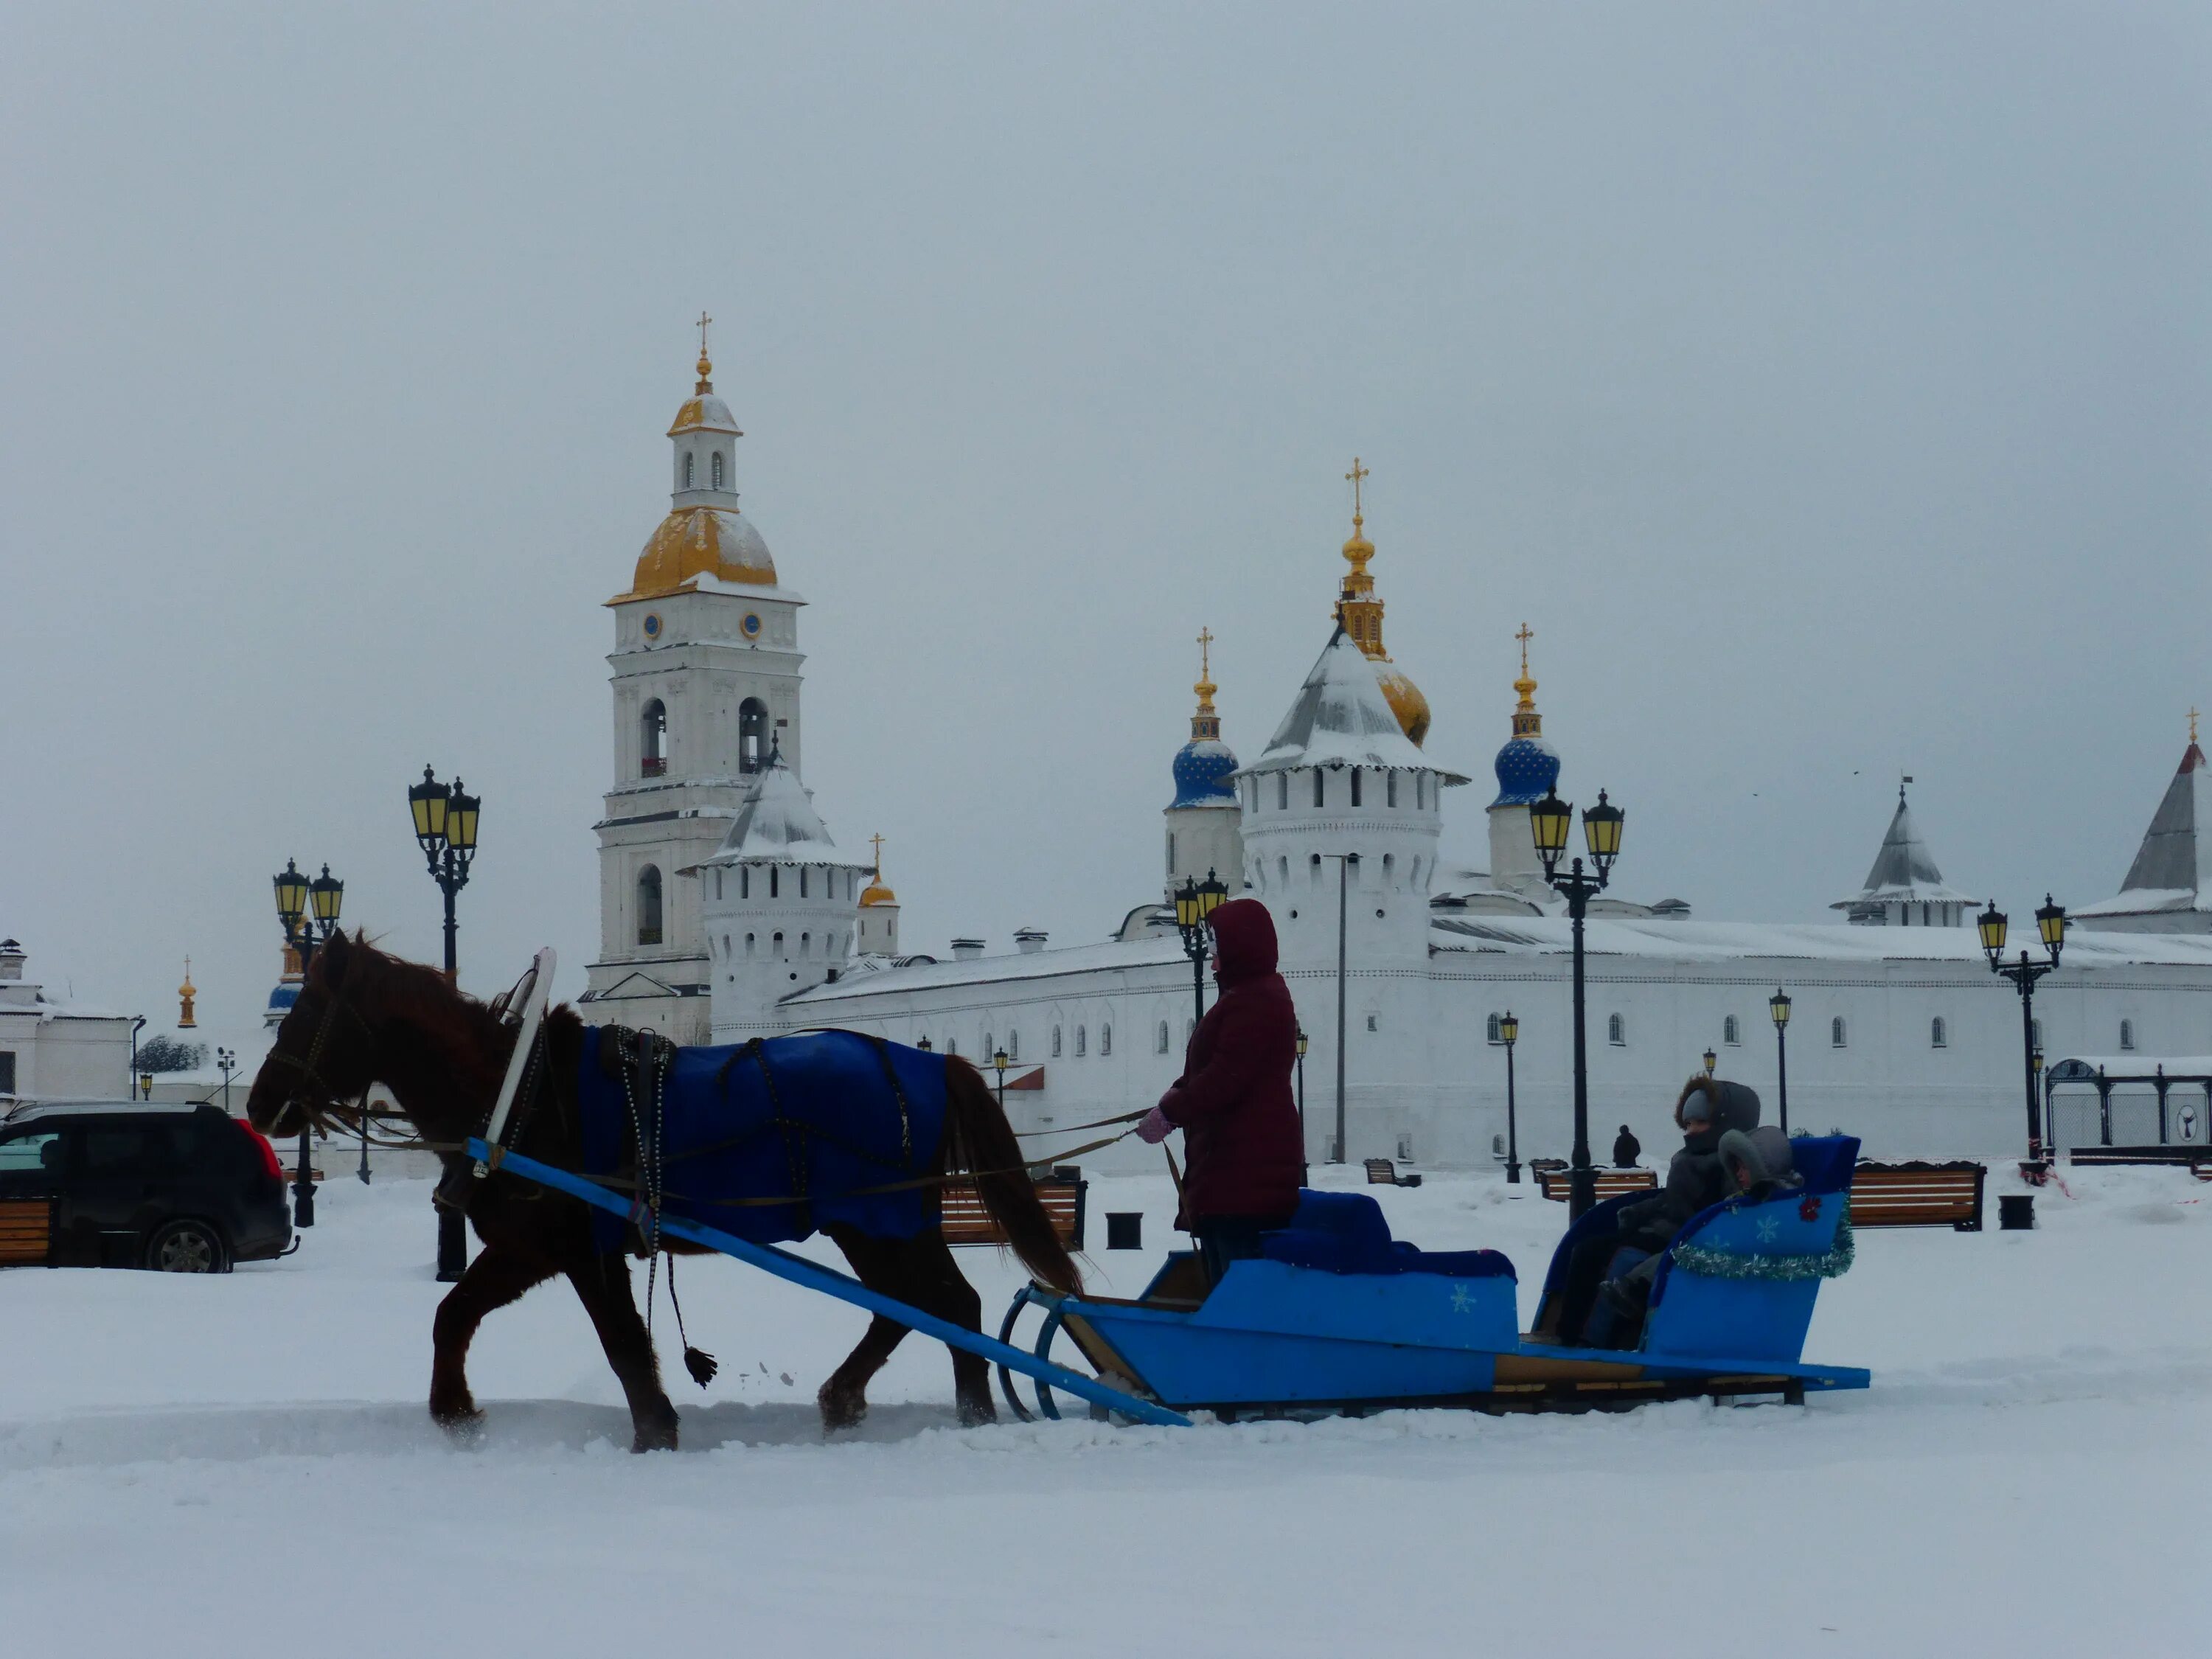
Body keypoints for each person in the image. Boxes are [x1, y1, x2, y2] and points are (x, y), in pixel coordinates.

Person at [1136, 897, 1304, 1284]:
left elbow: (1225, 1078)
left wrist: (1170, 1113)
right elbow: (1207, 1071)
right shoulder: (1245, 997)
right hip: (1231, 1174)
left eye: (1217, 947)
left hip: (1244, 1179)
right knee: (1226, 1290)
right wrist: (1171, 1103)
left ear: (1242, 946)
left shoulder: (1256, 1002)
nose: (1211, 959)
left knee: (1238, 1297)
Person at [1547, 1075, 1758, 1343]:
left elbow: (1727, 1209)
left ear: (1729, 1123)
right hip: (1663, 1231)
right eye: (1689, 1123)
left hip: (1686, 1239)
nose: (1691, 1130)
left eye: (1701, 1122)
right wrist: (1640, 1211)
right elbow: (1671, 1199)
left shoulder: (1728, 1165)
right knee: (1585, 1248)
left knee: (1612, 1255)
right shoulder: (1688, 1157)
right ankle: (1565, 1332)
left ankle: (1586, 1339)